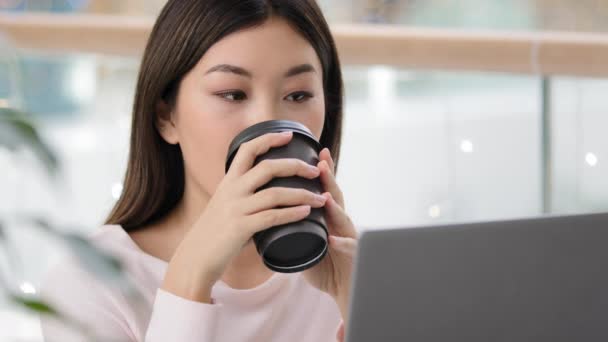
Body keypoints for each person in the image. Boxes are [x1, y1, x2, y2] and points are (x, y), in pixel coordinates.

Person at [39, 0, 358, 341]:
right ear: (166, 116)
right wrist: (189, 280)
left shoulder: (353, 268)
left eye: (297, 95)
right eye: (233, 94)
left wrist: (360, 303)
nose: (268, 126)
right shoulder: (91, 282)